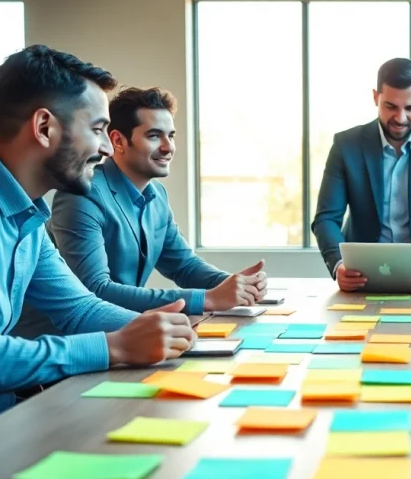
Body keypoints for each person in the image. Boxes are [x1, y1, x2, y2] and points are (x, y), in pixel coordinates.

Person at [0, 45, 195, 430]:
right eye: (98, 129)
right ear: (44, 127)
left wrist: (174, 336)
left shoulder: (24, 210)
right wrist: (114, 346)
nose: (105, 148)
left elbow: (79, 309)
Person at [46, 86, 267, 315]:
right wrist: (207, 299)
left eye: (170, 135)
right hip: (66, 340)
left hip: (121, 329)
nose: (168, 147)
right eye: (154, 136)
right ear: (118, 141)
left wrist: (237, 285)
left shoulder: (156, 195)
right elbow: (95, 290)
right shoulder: (82, 195)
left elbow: (184, 267)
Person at [311, 58, 411, 292]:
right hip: (360, 280)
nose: (401, 118)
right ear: (376, 97)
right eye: (391, 106)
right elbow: (326, 218)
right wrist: (339, 264)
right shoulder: (346, 145)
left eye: (410, 108)